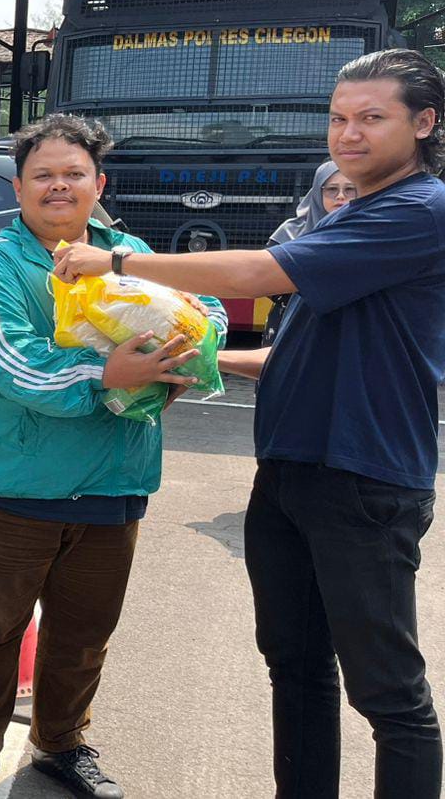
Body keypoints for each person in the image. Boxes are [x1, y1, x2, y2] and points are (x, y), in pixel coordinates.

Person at [55, 48, 445, 798]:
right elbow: (288, 354)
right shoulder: (350, 213)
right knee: (295, 666)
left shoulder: (418, 209)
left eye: (372, 118)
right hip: (292, 471)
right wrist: (194, 359)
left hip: (363, 478)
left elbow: (258, 274)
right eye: (338, 118)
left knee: (388, 692)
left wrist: (120, 264)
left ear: (424, 123)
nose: (349, 134)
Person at [0, 114, 225, 799]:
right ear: (18, 188)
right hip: (13, 485)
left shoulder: (129, 253)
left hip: (112, 480)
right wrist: (106, 375)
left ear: (99, 184)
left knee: (84, 633)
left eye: (74, 174)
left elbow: (207, 307)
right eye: (43, 174)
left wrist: (188, 345)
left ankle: (62, 742)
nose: (59, 186)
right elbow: (11, 363)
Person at [257, 161, 356, 346]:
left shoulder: (369, 234)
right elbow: (265, 283)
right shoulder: (290, 233)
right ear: (318, 193)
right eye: (331, 189)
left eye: (350, 189)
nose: (340, 196)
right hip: (292, 327)